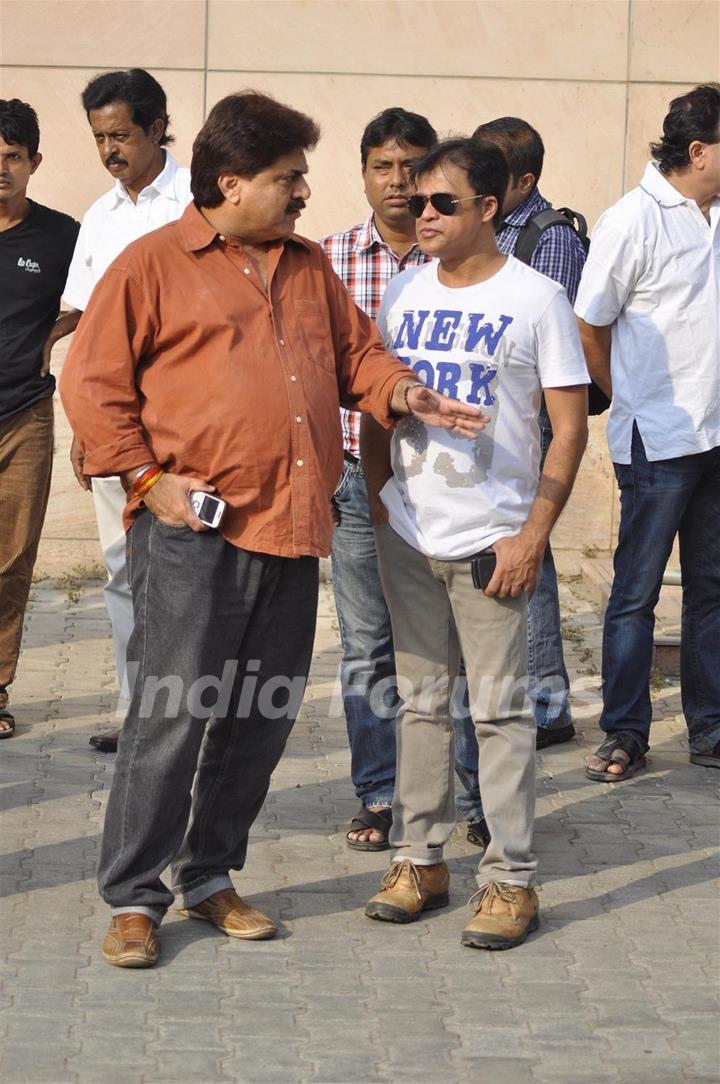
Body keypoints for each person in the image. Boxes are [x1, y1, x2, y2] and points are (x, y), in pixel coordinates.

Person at [59, 91, 485, 969]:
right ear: (231, 181)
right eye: (288, 178)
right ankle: (135, 899)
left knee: (259, 720)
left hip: (293, 530)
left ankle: (209, 875)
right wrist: (147, 480)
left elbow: (355, 353)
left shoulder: (305, 266)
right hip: (192, 539)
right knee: (174, 718)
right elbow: (92, 386)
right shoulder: (150, 266)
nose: (302, 193)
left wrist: (401, 391)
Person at [361, 138, 589, 948]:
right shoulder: (403, 291)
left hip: (495, 540)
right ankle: (419, 860)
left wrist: (533, 533)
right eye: (417, 201)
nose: (421, 214)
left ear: (487, 209)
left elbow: (567, 430)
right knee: (419, 704)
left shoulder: (537, 300)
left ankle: (511, 879)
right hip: (410, 532)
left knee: (499, 713)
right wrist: (378, 489)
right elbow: (378, 397)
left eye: (441, 203)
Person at [322, 108, 490, 850]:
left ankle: (473, 795)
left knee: (455, 649)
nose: (397, 183)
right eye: (382, 167)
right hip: (360, 481)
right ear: (362, 173)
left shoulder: (457, 263)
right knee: (368, 645)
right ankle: (381, 795)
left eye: (410, 169)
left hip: (455, 487)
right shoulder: (324, 260)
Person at [576, 83, 720, 782]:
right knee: (635, 592)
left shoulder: (717, 214)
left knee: (711, 589)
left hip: (716, 438)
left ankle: (709, 729)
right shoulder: (631, 220)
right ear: (698, 150)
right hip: (657, 443)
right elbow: (591, 322)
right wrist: (622, 395)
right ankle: (626, 732)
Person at [49, 68, 192, 753]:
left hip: (188, 426)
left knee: (190, 576)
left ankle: (191, 718)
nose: (110, 148)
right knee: (120, 570)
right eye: (99, 137)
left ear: (157, 127)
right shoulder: (100, 218)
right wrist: (84, 425)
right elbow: (80, 320)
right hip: (116, 424)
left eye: (121, 134)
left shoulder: (199, 202)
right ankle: (140, 715)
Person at [0, 99, 79, 739]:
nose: (1, 169)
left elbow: (102, 293)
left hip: (24, 414)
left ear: (34, 163)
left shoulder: (60, 235)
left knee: (10, 560)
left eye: (12, 158)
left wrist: (53, 333)